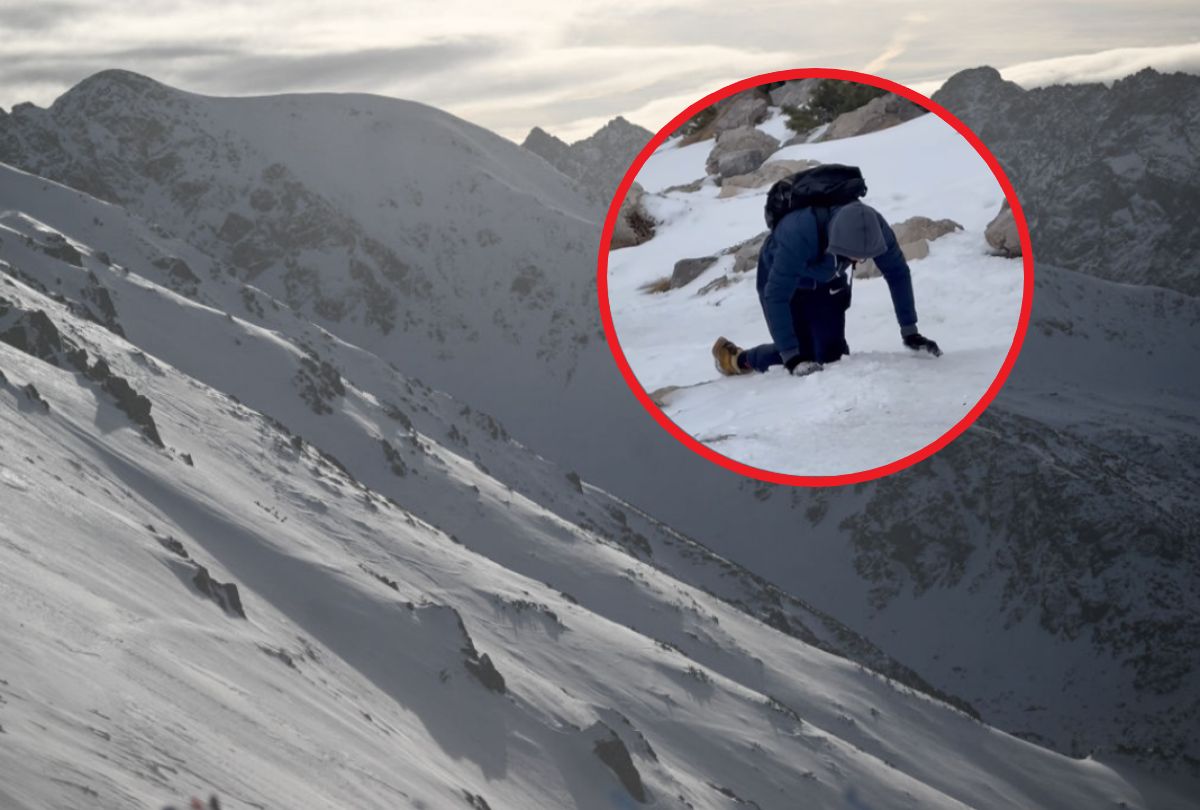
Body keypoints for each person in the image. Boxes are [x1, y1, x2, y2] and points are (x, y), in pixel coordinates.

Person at [712, 200, 941, 377]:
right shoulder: (798, 235)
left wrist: (910, 331)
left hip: (828, 279)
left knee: (832, 358)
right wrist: (792, 358)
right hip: (782, 279)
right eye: (855, 257)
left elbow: (898, 273)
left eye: (865, 258)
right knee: (803, 354)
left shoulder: (874, 229)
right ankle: (738, 360)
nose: (859, 263)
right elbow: (775, 296)